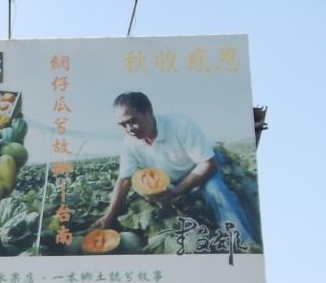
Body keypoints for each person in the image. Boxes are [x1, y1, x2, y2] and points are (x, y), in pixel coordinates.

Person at [93, 91, 260, 246]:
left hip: (202, 165)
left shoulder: (180, 124)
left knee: (216, 192)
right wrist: (109, 216)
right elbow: (124, 180)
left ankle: (244, 244)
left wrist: (176, 191)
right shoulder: (128, 144)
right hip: (173, 176)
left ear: (149, 111)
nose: (129, 129)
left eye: (133, 121)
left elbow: (208, 164)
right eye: (123, 125)